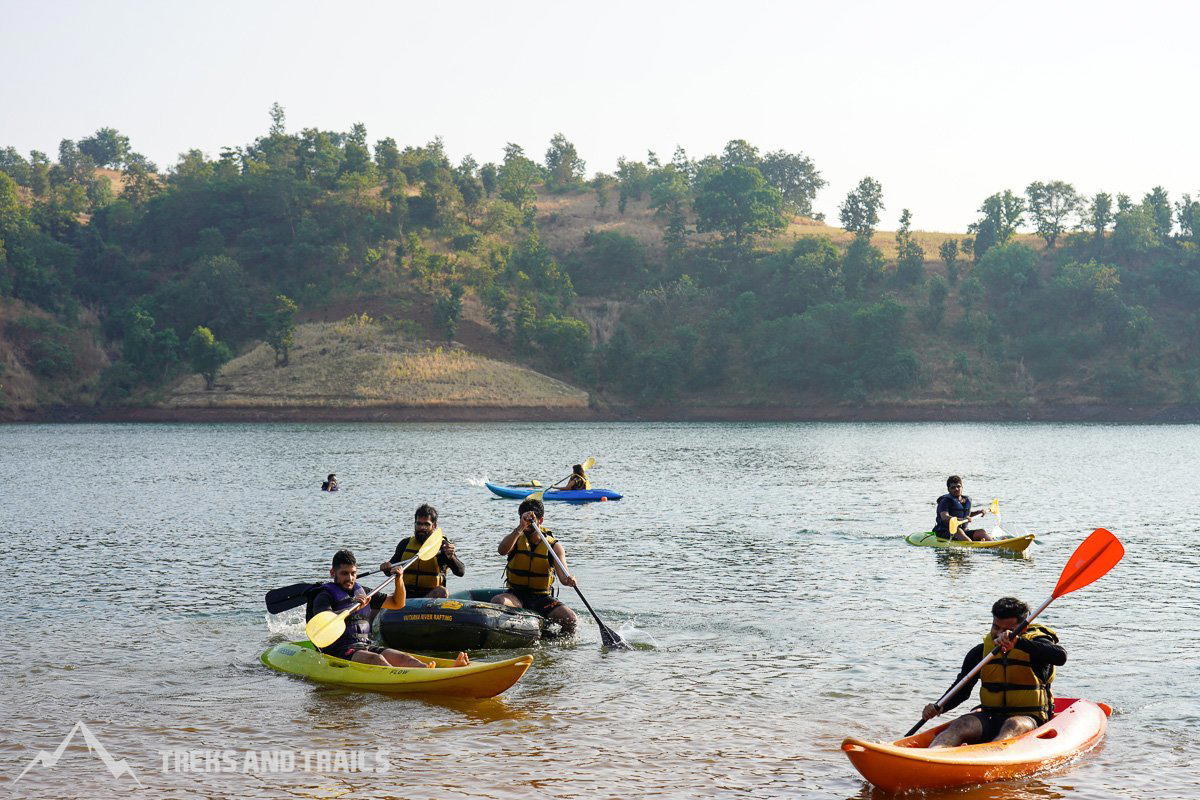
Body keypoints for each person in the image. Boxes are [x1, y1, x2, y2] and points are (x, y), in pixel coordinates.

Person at [921, 596, 1066, 747]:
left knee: (1013, 724)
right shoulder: (980, 652)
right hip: (990, 717)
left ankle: (989, 757)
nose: (999, 634)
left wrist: (1018, 643)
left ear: (1022, 628)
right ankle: (933, 754)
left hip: (1029, 719)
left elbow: (1060, 656)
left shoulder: (1034, 646)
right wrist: (939, 706)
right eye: (996, 627)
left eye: (1007, 630)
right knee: (962, 723)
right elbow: (962, 690)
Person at [306, 549, 468, 668]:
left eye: (353, 573)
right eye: (344, 573)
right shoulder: (324, 595)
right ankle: (413, 681)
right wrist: (352, 606)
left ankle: (437, 673)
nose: (350, 578)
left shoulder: (363, 592)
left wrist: (399, 580)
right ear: (332, 572)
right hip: (339, 651)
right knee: (377, 661)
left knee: (407, 660)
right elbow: (322, 621)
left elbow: (398, 603)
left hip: (365, 645)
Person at [490, 498, 578, 635]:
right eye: (523, 519)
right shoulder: (515, 538)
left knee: (570, 618)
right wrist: (520, 527)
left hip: (541, 598)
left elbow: (563, 578)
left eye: (531, 521)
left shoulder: (554, 547)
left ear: (540, 521)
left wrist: (569, 580)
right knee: (498, 601)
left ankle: (555, 643)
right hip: (516, 595)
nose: (528, 524)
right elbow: (502, 550)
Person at [379, 504, 464, 599]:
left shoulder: (442, 546)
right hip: (406, 595)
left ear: (434, 526)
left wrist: (451, 557)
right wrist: (386, 568)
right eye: (419, 524)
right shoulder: (405, 544)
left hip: (430, 597)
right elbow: (391, 570)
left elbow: (460, 572)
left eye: (426, 524)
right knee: (379, 599)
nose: (422, 527)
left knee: (442, 591)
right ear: (415, 524)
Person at [934, 475, 990, 541]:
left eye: (958, 486)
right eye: (953, 487)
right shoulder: (945, 501)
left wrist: (978, 512)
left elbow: (966, 515)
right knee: (958, 531)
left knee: (981, 532)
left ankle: (997, 544)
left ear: (962, 487)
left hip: (964, 531)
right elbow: (945, 517)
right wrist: (962, 519)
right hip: (945, 532)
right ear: (948, 489)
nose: (956, 489)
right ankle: (971, 545)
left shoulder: (966, 500)